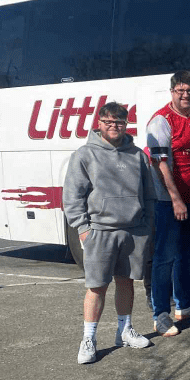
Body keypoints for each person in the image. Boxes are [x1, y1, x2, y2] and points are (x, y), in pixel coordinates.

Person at [64, 102, 155, 364]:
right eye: (109, 122)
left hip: (133, 231)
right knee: (97, 287)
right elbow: (72, 196)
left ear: (126, 124)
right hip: (100, 231)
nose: (114, 126)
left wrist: (146, 226)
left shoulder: (137, 155)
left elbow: (149, 195)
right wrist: (83, 228)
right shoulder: (85, 154)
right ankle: (89, 339)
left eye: (120, 122)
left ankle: (124, 331)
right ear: (99, 123)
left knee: (126, 282)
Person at [146, 71, 190, 337]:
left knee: (187, 252)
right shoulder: (161, 121)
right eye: (180, 90)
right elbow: (160, 164)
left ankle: (183, 305)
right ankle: (160, 314)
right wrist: (175, 199)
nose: (186, 95)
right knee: (165, 257)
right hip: (169, 200)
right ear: (172, 92)